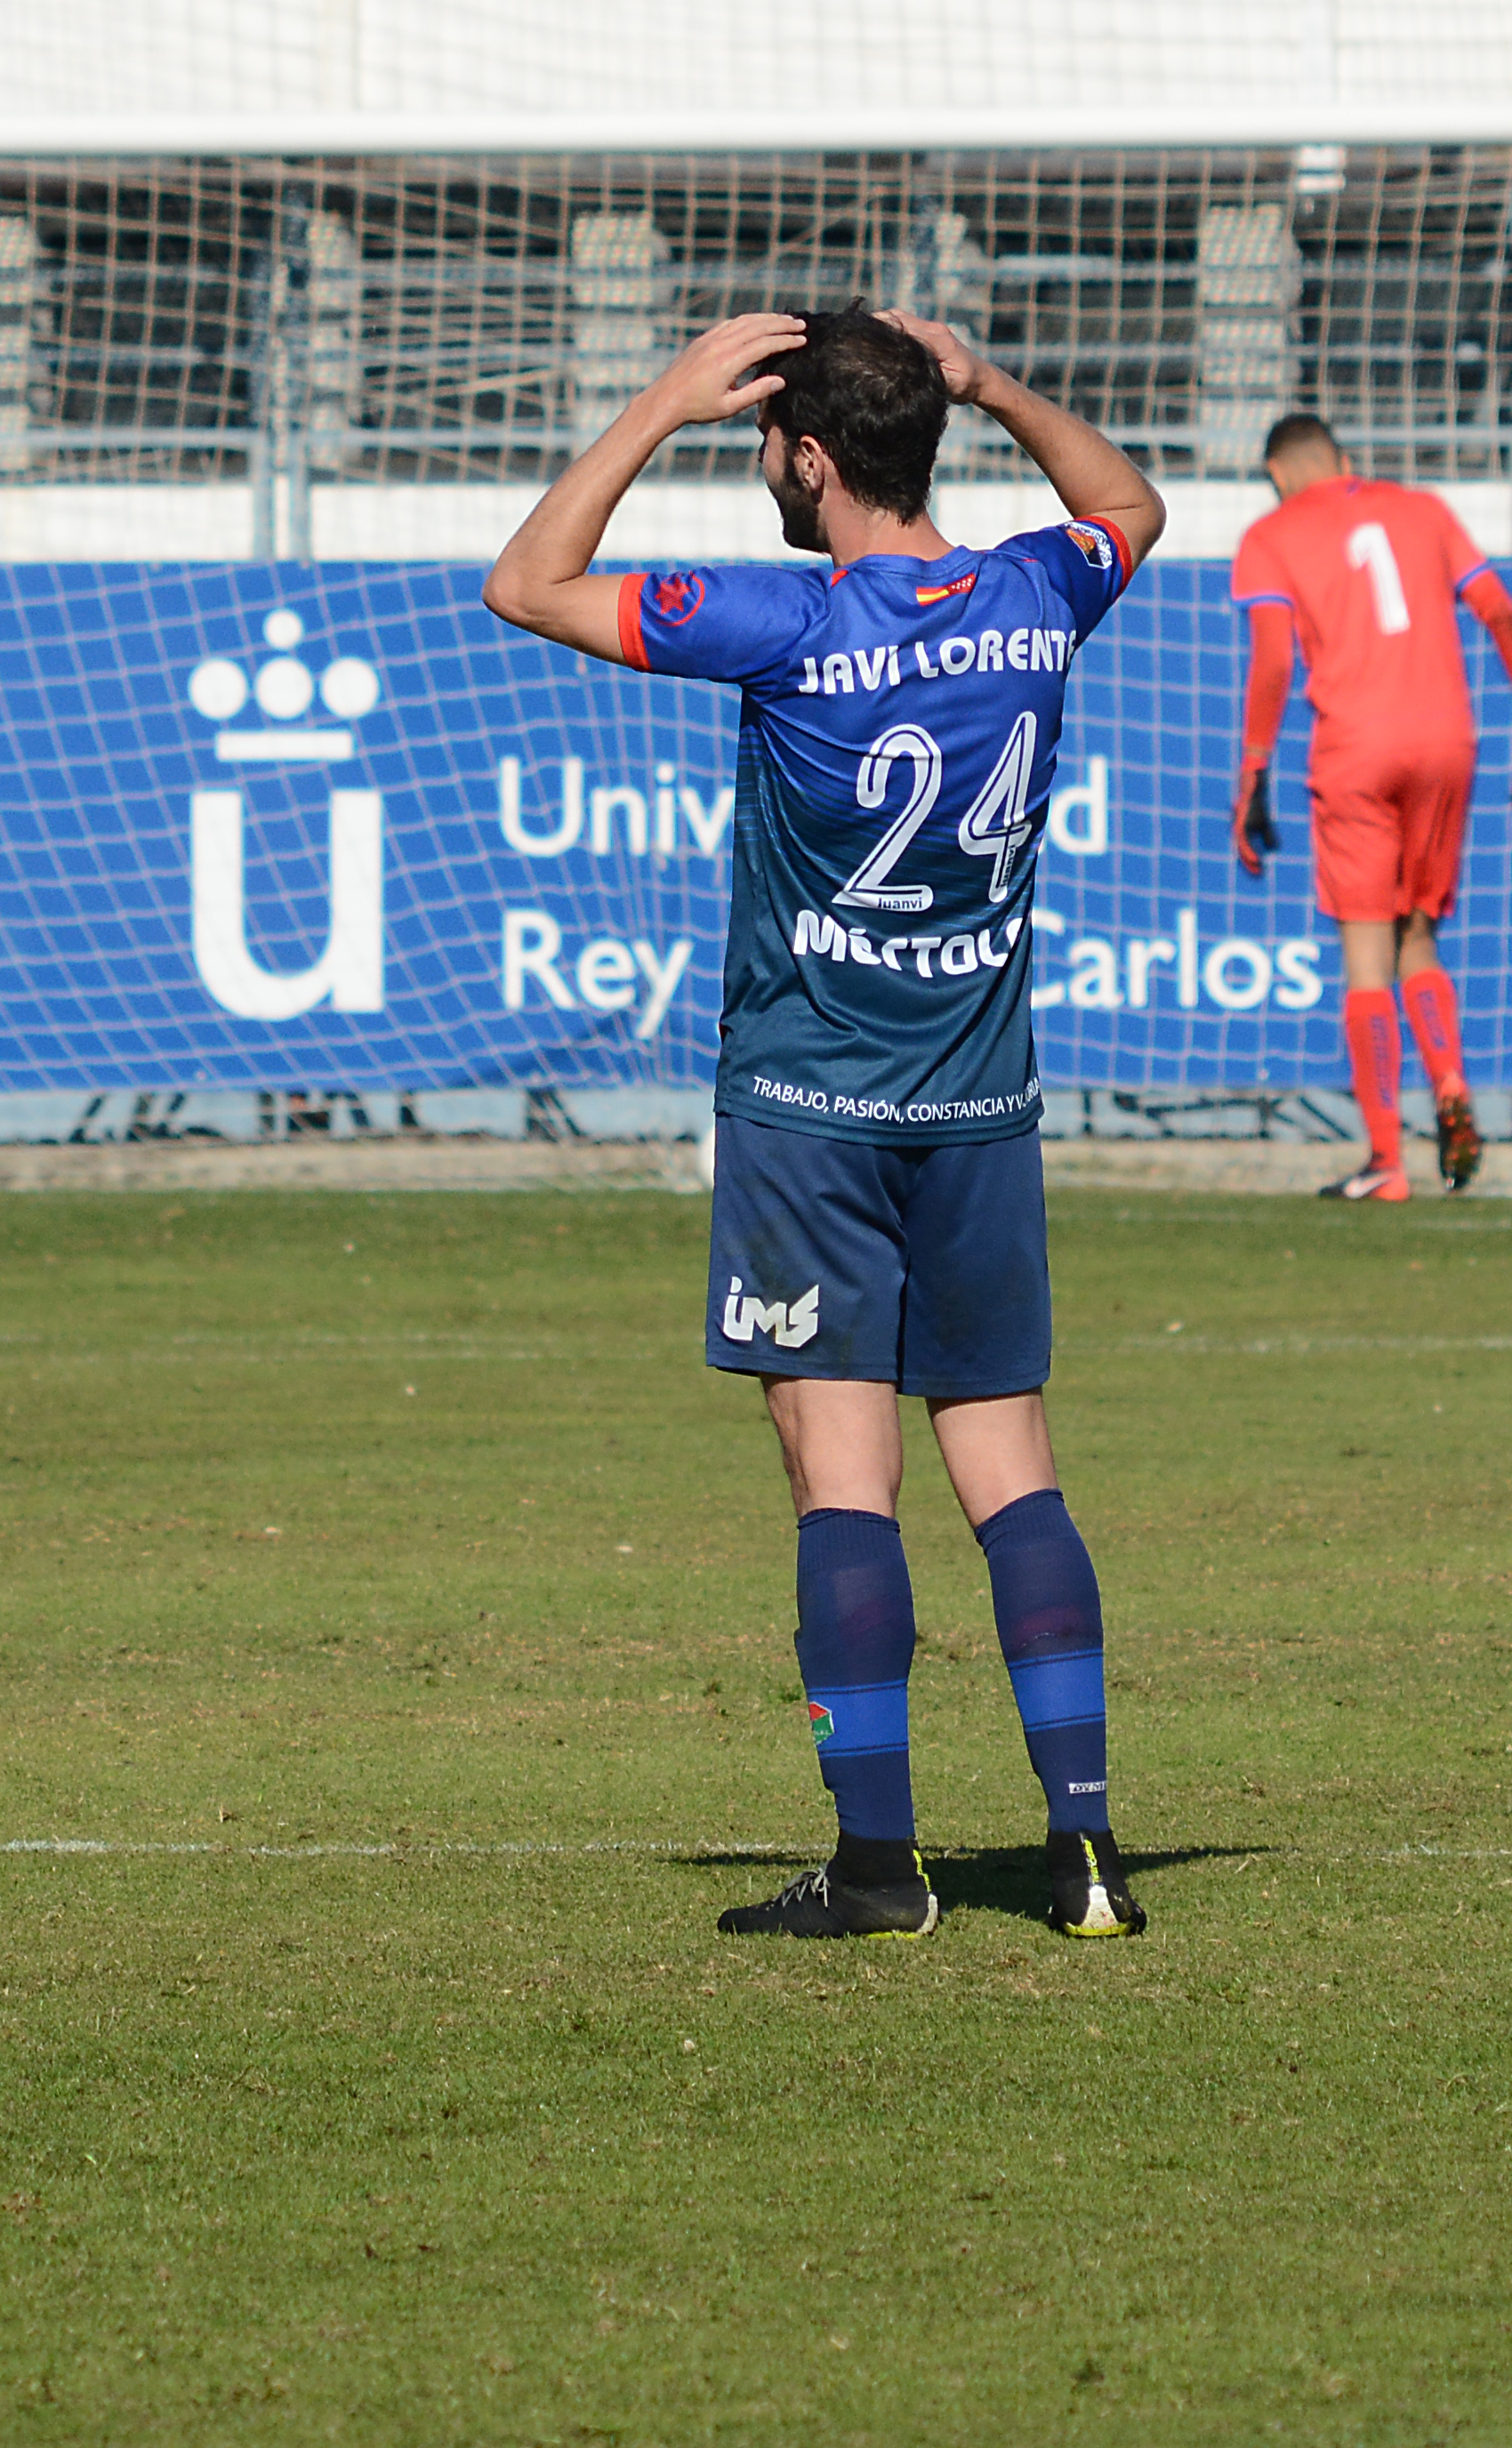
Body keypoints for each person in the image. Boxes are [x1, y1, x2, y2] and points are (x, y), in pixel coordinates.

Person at [486, 302, 1165, 1943]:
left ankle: (879, 1867)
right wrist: (995, 381)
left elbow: (526, 583)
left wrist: (656, 401)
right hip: (981, 1111)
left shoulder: (785, 619)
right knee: (1011, 1470)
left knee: (840, 1483)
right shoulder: (1030, 595)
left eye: (761, 447)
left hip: (810, 1115)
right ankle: (1081, 1855)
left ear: (807, 454)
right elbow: (1132, 510)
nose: (760, 473)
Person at [1223, 414, 1512, 1201]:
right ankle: (1451, 1090)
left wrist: (1253, 773)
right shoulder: (1423, 509)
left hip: (1356, 748)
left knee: (1365, 956)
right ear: (1345, 461)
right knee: (1419, 933)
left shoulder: (1272, 535)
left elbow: (1275, 660)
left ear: (1277, 473)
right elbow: (1502, 615)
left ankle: (1387, 1161)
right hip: (1449, 740)